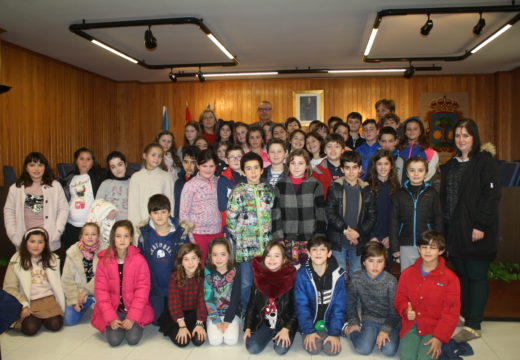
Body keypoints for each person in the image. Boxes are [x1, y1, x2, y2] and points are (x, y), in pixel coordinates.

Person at [440, 119, 501, 342]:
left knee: (476, 276)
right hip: (454, 229)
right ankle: (465, 315)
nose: (461, 139)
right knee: (463, 275)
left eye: (466, 135)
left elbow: (491, 196)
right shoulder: (451, 164)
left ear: (474, 137)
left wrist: (480, 225)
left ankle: (474, 325)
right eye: (457, 135)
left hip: (476, 230)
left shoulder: (484, 162)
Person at [394, 230, 460, 360]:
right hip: (411, 325)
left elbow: (451, 313)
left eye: (433, 248)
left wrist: (438, 338)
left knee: (424, 358)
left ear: (441, 251)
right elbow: (400, 298)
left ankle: (445, 344)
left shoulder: (450, 279)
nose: (428, 251)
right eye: (424, 247)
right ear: (418, 249)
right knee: (407, 357)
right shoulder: (407, 273)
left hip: (434, 328)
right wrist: (406, 310)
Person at [92, 220, 154, 346]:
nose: (122, 240)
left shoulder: (139, 261)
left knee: (133, 339)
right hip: (113, 309)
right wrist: (111, 318)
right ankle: (115, 321)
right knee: (114, 341)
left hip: (133, 309)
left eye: (126, 236)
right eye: (118, 236)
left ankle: (134, 322)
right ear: (113, 238)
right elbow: (101, 292)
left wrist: (132, 317)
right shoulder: (104, 261)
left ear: (131, 238)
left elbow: (142, 292)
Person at [227, 152, 275, 310]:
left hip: (265, 247)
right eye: (248, 168)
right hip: (245, 247)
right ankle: (246, 311)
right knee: (246, 282)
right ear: (242, 171)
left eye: (256, 168)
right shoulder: (238, 192)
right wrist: (240, 238)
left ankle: (263, 310)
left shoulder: (268, 190)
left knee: (264, 281)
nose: (253, 172)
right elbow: (231, 219)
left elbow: (273, 213)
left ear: (262, 170)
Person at [138, 194, 191, 323]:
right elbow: (140, 262)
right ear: (150, 214)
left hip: (176, 287)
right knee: (157, 321)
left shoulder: (181, 233)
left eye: (163, 212)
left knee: (175, 319)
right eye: (155, 212)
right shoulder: (144, 235)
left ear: (169, 212)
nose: (160, 216)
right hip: (155, 288)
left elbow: (189, 260)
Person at [3, 227, 65, 335]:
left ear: (45, 244)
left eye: (40, 242)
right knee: (30, 328)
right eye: (32, 241)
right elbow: (9, 288)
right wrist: (23, 305)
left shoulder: (52, 259)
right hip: (27, 301)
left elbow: (58, 284)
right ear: (25, 243)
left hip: (47, 300)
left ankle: (43, 318)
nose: (36, 246)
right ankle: (35, 318)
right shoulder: (16, 260)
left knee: (55, 325)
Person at [325, 151, 376, 277]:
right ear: (342, 169)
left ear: (360, 169)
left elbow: (372, 217)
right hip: (339, 238)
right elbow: (330, 213)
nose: (351, 171)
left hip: (359, 239)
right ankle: (340, 297)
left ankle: (355, 297)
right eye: (347, 168)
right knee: (339, 273)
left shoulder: (367, 190)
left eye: (354, 167)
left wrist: (358, 233)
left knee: (357, 273)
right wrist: (346, 231)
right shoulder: (334, 187)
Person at [4, 152, 68, 251]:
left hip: (49, 240)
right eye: (32, 165)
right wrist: (13, 234)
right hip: (24, 240)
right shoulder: (16, 188)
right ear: (26, 168)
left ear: (45, 167)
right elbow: (9, 211)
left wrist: (57, 231)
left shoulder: (55, 186)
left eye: (40, 165)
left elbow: (63, 209)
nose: (36, 169)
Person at [344, 242, 400, 357]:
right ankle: (349, 331)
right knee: (363, 349)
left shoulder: (391, 281)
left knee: (389, 351)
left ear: (385, 263)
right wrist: (353, 322)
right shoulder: (356, 278)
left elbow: (395, 311)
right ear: (364, 262)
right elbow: (350, 303)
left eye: (380, 261)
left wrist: (385, 329)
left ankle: (380, 335)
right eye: (371, 261)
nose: (375, 266)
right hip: (370, 319)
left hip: (389, 320)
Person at [294, 235, 347, 356]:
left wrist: (334, 333)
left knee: (332, 350)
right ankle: (311, 332)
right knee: (314, 349)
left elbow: (339, 307)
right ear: (308, 253)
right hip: (310, 322)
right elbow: (301, 306)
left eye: (322, 249)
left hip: (329, 323)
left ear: (329, 253)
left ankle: (331, 332)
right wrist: (308, 331)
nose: (318, 253)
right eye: (314, 249)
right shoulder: (302, 275)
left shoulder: (338, 275)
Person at [273, 149, 326, 265]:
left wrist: (319, 238)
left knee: (308, 272)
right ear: (288, 165)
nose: (296, 167)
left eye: (300, 163)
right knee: (289, 273)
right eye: (293, 163)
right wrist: (278, 238)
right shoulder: (280, 185)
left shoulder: (315, 185)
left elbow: (321, 213)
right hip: (287, 239)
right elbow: (275, 213)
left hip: (310, 238)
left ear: (307, 165)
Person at [243, 241, 297, 355]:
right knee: (252, 348)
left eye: (276, 256)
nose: (272, 260)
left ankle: (281, 333)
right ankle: (269, 334)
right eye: (268, 255)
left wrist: (287, 328)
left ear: (283, 259)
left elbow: (298, 309)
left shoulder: (291, 278)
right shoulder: (259, 277)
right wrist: (248, 327)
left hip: (284, 323)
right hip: (265, 322)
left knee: (280, 349)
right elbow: (252, 305)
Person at [390, 157, 443, 272]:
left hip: (428, 244)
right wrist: (394, 247)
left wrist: (438, 244)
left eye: (420, 170)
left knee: (428, 277)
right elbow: (394, 221)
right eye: (412, 170)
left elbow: (438, 219)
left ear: (426, 173)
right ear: (407, 173)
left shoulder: (432, 193)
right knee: (407, 276)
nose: (416, 174)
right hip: (406, 244)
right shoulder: (399, 193)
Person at [158, 243, 207, 347]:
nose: (190, 263)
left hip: (195, 313)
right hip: (177, 314)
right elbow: (174, 302)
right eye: (186, 259)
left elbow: (202, 301)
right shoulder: (175, 277)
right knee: (183, 341)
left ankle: (193, 327)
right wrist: (182, 326)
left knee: (198, 340)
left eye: (193, 258)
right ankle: (184, 328)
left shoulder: (203, 276)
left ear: (199, 260)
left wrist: (199, 323)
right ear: (181, 262)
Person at [60, 147, 106, 254]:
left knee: (89, 258)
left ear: (93, 162)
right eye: (81, 158)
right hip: (71, 225)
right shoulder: (69, 178)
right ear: (76, 161)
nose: (84, 162)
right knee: (71, 257)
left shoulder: (99, 176)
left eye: (88, 159)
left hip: (90, 226)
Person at [179, 149, 223, 263]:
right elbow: (184, 213)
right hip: (198, 234)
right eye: (204, 166)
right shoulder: (190, 185)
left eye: (211, 166)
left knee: (217, 267)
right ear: (198, 165)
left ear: (216, 166)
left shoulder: (220, 182)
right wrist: (191, 236)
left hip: (217, 232)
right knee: (200, 268)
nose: (208, 170)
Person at [128, 143, 174, 243]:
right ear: (144, 156)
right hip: (142, 223)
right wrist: (135, 227)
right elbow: (133, 205)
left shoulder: (166, 176)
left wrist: (170, 223)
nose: (157, 158)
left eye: (160, 156)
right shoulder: (136, 177)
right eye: (153, 155)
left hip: (161, 223)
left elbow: (171, 202)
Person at [366, 150, 400, 272]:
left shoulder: (397, 188)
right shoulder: (366, 186)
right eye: (379, 164)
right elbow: (363, 215)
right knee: (371, 272)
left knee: (386, 271)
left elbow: (398, 217)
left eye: (386, 163)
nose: (383, 167)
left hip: (388, 238)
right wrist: (372, 236)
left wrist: (391, 236)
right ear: (374, 166)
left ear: (391, 166)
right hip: (371, 236)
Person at [204, 238, 241, 346]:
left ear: (229, 255)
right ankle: (212, 322)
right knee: (215, 341)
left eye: (223, 254)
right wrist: (216, 321)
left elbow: (235, 296)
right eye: (215, 255)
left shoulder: (236, 270)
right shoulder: (208, 271)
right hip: (213, 313)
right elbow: (208, 297)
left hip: (231, 312)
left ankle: (237, 321)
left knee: (231, 341)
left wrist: (228, 320)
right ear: (210, 256)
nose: (218, 258)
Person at [61, 222, 100, 326]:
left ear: (98, 236)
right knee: (69, 321)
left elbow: (102, 277)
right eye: (86, 234)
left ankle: (95, 302)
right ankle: (89, 301)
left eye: (93, 234)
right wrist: (74, 300)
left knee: (105, 319)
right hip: (79, 293)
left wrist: (86, 291)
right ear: (81, 236)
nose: (90, 237)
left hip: (99, 291)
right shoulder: (72, 253)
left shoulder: (105, 251)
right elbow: (67, 280)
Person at [397, 117, 439, 183]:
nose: (412, 131)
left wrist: (418, 185)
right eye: (408, 129)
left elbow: (430, 174)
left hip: (420, 188)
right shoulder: (398, 150)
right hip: (400, 189)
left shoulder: (430, 152)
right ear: (405, 132)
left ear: (420, 132)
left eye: (415, 129)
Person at [217, 144, 246, 232]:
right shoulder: (223, 180)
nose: (236, 159)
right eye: (232, 157)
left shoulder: (251, 176)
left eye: (239, 156)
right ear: (226, 160)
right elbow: (222, 207)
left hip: (250, 224)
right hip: (232, 225)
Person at [96, 151, 130, 221]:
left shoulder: (133, 182)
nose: (118, 169)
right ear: (110, 169)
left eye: (120, 164)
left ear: (126, 164)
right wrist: (105, 213)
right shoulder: (105, 184)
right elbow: (97, 205)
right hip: (110, 225)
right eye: (113, 167)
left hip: (129, 224)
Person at [173, 146, 199, 218]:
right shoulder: (178, 182)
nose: (189, 166)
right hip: (182, 222)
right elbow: (177, 205)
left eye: (193, 162)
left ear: (198, 163)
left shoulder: (201, 182)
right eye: (186, 162)